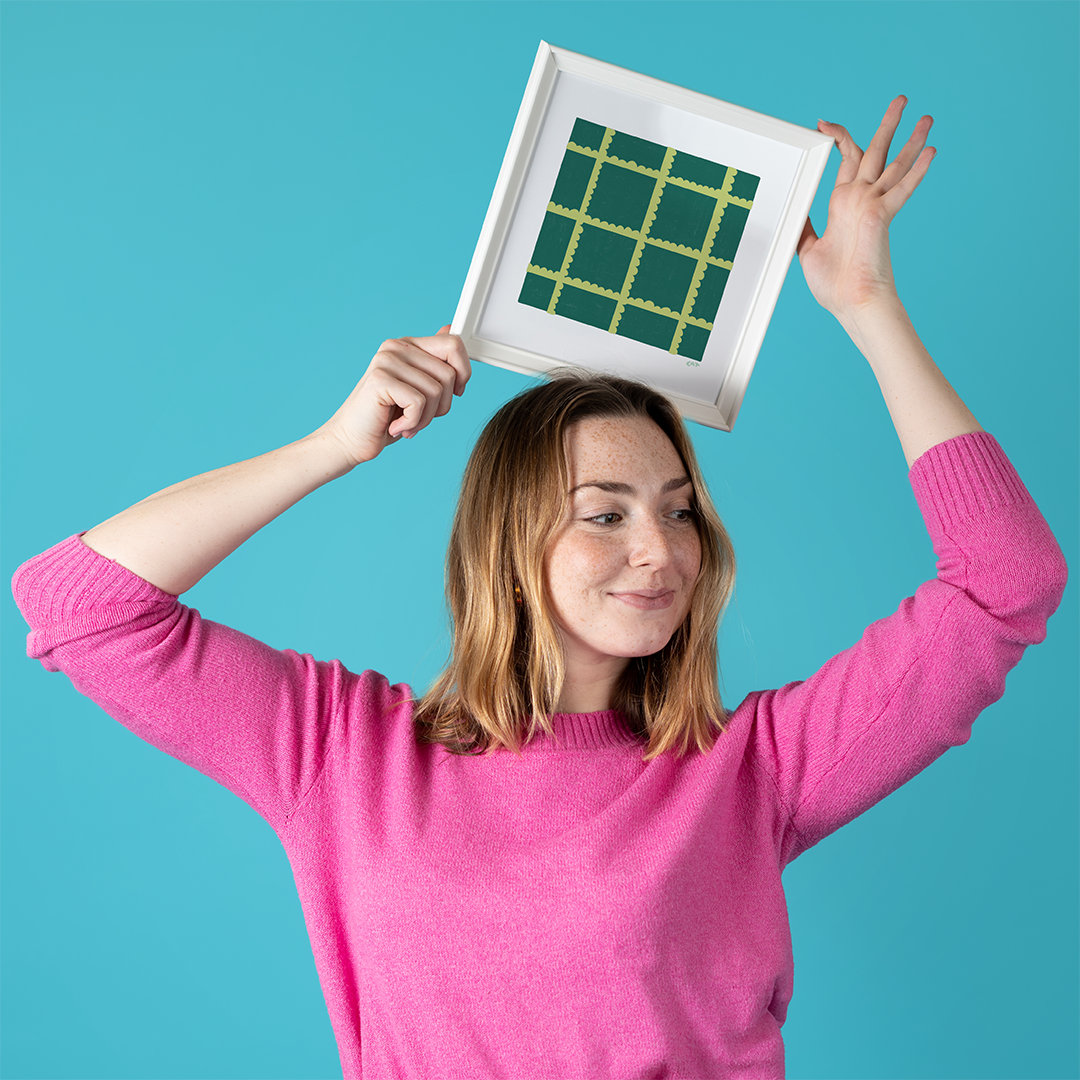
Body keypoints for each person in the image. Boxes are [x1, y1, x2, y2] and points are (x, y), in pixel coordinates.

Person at [11, 98, 1067, 1079]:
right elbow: (77, 604)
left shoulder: (752, 773)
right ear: (510, 545)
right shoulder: (341, 755)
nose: (661, 551)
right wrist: (332, 447)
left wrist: (871, 307)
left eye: (679, 508)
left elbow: (1006, 582)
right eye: (605, 512)